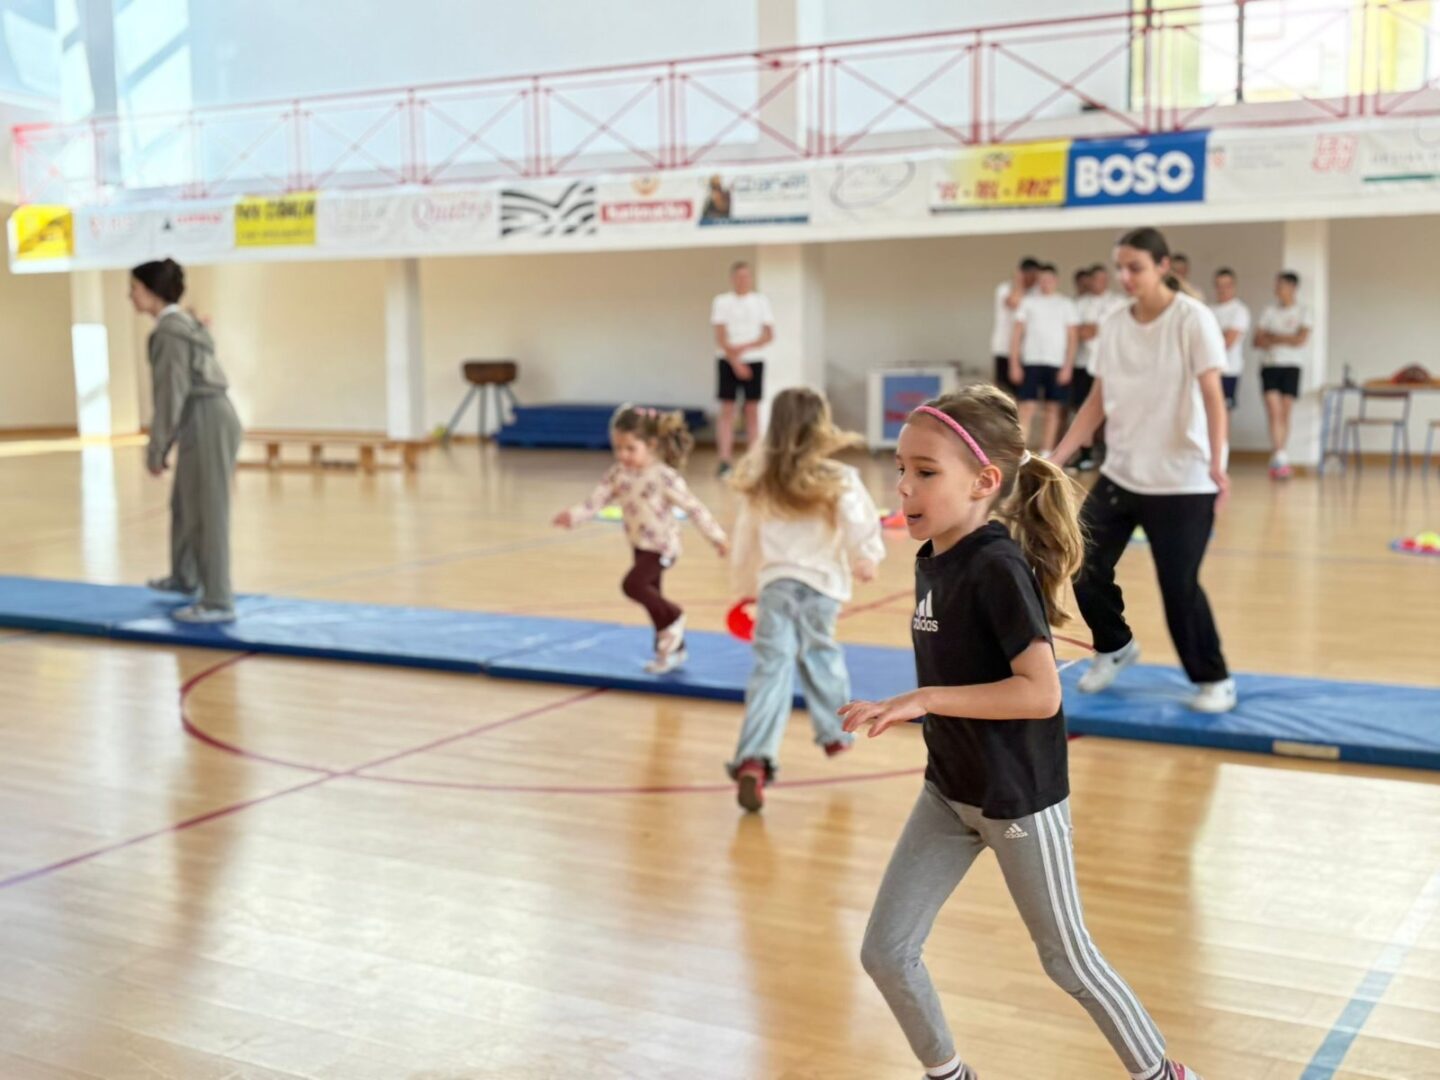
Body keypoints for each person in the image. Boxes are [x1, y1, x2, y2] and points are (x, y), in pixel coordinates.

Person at [842, 386, 1205, 1080]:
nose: (904, 486)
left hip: (1018, 799)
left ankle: (1165, 1076)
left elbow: (1040, 694)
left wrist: (924, 699)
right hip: (949, 790)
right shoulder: (934, 555)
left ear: (984, 482)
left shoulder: (996, 565)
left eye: (926, 471)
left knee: (1067, 960)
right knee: (886, 952)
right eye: (901, 469)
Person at [1053, 227, 1235, 714]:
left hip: (1183, 480)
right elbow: (1097, 400)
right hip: (1123, 474)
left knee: (1179, 588)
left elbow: (1213, 397)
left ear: (1163, 266)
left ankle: (1214, 678)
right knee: (1083, 563)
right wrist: (1057, 456)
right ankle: (1115, 646)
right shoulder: (1114, 323)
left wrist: (1217, 464)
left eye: (1135, 267)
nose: (1125, 277)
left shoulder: (1192, 319)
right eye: (1120, 267)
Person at [726, 387, 885, 811]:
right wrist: (866, 556)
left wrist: (744, 589)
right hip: (822, 588)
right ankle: (835, 733)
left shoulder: (763, 481)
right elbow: (859, 521)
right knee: (820, 653)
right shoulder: (838, 477)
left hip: (775, 587)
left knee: (770, 670)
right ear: (821, 427)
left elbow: (745, 540)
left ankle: (754, 758)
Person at [553, 405, 728, 673]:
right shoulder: (618, 474)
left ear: (651, 445)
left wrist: (717, 537)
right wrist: (573, 516)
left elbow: (694, 509)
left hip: (663, 548)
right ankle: (673, 651)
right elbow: (596, 501)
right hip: (639, 545)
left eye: (630, 448)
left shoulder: (664, 477)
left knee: (633, 585)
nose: (622, 455)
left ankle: (675, 615)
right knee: (652, 600)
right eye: (618, 448)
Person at [131, 258, 243, 625]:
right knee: (184, 503)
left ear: (151, 292)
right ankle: (185, 576)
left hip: (206, 417)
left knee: (207, 512)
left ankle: (217, 600)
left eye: (134, 289)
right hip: (204, 416)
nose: (130, 296)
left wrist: (157, 448)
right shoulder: (183, 323)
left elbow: (170, 394)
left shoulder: (169, 332)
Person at [711, 261, 774, 477]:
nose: (743, 280)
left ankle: (754, 460)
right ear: (732, 279)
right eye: (739, 277)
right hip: (727, 360)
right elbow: (720, 336)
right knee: (727, 410)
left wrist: (745, 348)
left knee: (752, 410)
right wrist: (735, 361)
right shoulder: (722, 302)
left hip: (754, 360)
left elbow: (768, 334)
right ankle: (724, 460)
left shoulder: (761, 302)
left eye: (747, 277)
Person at [1008, 263, 1078, 453]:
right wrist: (1014, 363)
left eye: (1049, 279)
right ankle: (1021, 451)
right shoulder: (1028, 302)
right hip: (1031, 361)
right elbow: (1017, 334)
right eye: (1042, 280)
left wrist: (1068, 366)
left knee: (1053, 409)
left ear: (1056, 280)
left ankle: (1047, 452)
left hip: (1056, 363)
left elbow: (1072, 338)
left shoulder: (1065, 304)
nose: (1046, 283)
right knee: (1027, 407)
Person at [1254, 271, 1312, 480]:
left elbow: (1301, 339)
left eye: (1281, 286)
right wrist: (1287, 337)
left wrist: (1273, 336)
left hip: (1292, 366)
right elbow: (1258, 340)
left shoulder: (1303, 311)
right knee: (1273, 411)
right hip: (1270, 365)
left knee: (1285, 412)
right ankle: (1278, 454)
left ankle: (1281, 455)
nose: (1277, 290)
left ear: (1292, 287)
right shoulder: (1269, 311)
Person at [1070, 263, 1126, 472]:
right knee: (1082, 408)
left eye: (1103, 279)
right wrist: (1094, 328)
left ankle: (1110, 453)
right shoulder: (1079, 303)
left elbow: (1106, 330)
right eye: (1095, 279)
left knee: (1110, 409)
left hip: (1110, 364)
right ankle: (1085, 454)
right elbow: (1079, 331)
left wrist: (1094, 328)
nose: (1099, 283)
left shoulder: (1117, 302)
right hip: (1083, 363)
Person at [990, 257, 1041, 396]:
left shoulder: (1036, 292)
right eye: (1030, 275)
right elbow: (1013, 302)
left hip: (1028, 352)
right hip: (1004, 349)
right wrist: (1019, 283)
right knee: (1003, 393)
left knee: (1024, 395)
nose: (1034, 280)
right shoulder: (1005, 288)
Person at [1209, 268, 1251, 411]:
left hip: (1229, 369)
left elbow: (1228, 342)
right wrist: (1220, 333)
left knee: (1223, 410)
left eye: (1227, 285)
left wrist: (1213, 335)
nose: (1223, 289)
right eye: (1219, 285)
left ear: (1234, 286)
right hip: (1208, 368)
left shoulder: (1239, 310)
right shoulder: (1208, 310)